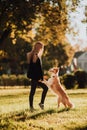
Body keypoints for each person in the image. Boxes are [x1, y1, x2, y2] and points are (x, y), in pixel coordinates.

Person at [26, 42, 48, 111]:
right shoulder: (35, 55)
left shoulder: (34, 54)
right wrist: (40, 78)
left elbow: (36, 67)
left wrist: (41, 77)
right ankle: (32, 107)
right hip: (35, 77)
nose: (39, 48)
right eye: (38, 47)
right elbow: (35, 68)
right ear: (35, 47)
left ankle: (40, 104)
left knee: (44, 89)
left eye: (40, 47)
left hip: (36, 77)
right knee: (33, 91)